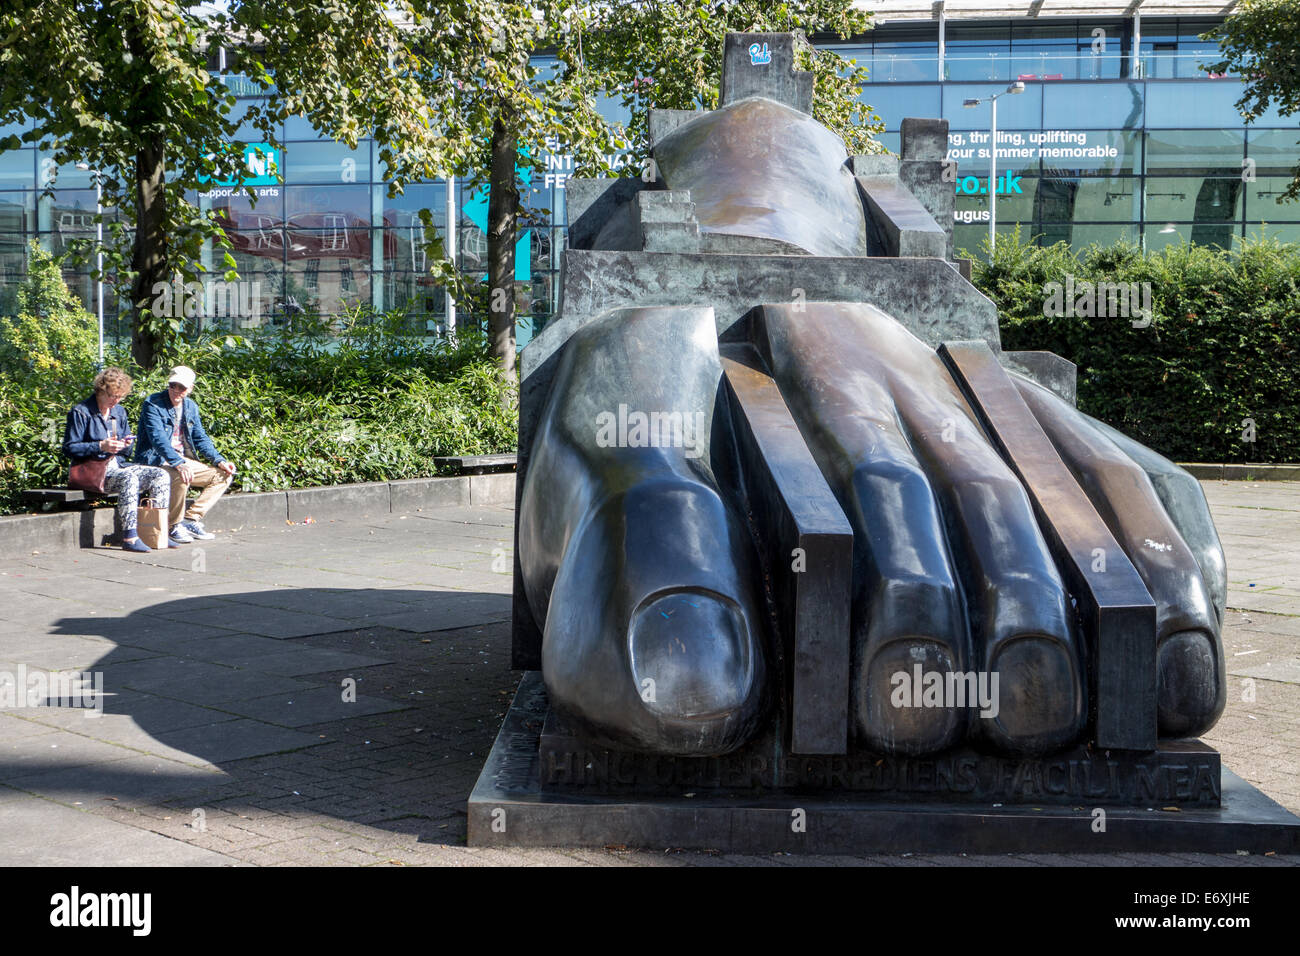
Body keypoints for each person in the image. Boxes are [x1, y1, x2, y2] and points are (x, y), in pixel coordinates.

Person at [63, 367, 172, 553]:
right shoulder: (81, 412)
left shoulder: (119, 412)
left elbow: (126, 452)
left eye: (120, 397)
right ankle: (129, 536)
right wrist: (99, 446)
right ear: (101, 390)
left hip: (116, 465)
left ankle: (156, 531)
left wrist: (125, 443)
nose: (116, 401)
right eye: (113, 396)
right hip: (93, 471)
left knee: (160, 475)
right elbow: (69, 448)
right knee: (129, 479)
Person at [133, 365, 235, 545]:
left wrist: (219, 460)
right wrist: (178, 463)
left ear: (190, 389)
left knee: (223, 476)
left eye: (182, 387)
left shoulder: (191, 407)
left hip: (180, 460)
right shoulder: (153, 403)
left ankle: (190, 520)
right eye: (173, 385)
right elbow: (158, 439)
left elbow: (200, 437)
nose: (176, 390)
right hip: (154, 460)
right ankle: (173, 525)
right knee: (181, 475)